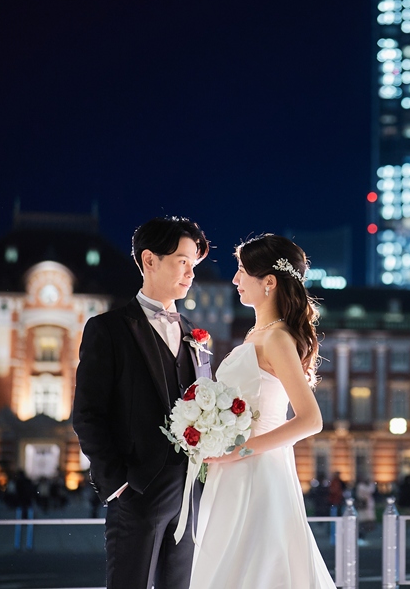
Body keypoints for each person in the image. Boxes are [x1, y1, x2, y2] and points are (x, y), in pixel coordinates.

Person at [73, 216, 211, 589]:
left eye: (193, 264)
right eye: (182, 261)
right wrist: (118, 484)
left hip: (190, 497)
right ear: (149, 260)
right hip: (136, 492)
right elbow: (87, 414)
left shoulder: (194, 335)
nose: (190, 273)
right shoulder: (108, 329)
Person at [190, 234, 334, 588]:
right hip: (233, 470)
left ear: (268, 282)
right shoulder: (257, 334)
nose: (235, 279)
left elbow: (311, 420)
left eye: (241, 270)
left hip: (257, 471)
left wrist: (239, 451)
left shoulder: (277, 338)